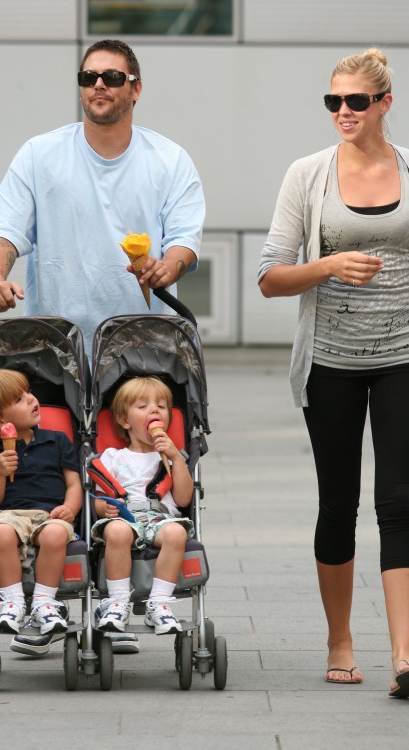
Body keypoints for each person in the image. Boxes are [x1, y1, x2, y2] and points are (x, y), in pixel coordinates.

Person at [0, 38, 204, 654]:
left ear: (136, 86)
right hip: (50, 344)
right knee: (52, 472)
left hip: (135, 350)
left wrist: (168, 266)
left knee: (121, 478)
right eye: (88, 76)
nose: (98, 86)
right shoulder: (41, 154)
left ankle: (115, 602)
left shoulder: (168, 159)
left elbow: (185, 239)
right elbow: (4, 229)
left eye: (112, 76)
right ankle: (41, 607)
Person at [258, 48, 409, 698]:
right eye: (333, 102)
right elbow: (269, 275)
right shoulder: (308, 174)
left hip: (403, 355)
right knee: (338, 504)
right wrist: (326, 266)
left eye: (355, 101)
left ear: (384, 104)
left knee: (401, 504)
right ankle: (340, 639)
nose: (343, 112)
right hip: (332, 362)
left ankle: (406, 655)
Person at [0, 369, 83, 635]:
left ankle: (44, 601)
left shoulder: (57, 440)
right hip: (8, 514)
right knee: (0, 532)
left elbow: (74, 483)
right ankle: (13, 601)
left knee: (54, 535)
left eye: (28, 392)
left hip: (49, 514)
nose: (31, 399)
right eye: (19, 399)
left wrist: (71, 508)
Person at [91, 376, 194, 635]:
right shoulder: (114, 457)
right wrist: (104, 510)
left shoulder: (173, 456)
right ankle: (117, 601)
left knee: (177, 533)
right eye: (143, 406)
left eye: (161, 405)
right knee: (116, 531)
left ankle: (158, 603)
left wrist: (175, 459)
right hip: (125, 516)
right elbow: (100, 498)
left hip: (160, 517)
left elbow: (183, 499)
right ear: (126, 421)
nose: (154, 410)